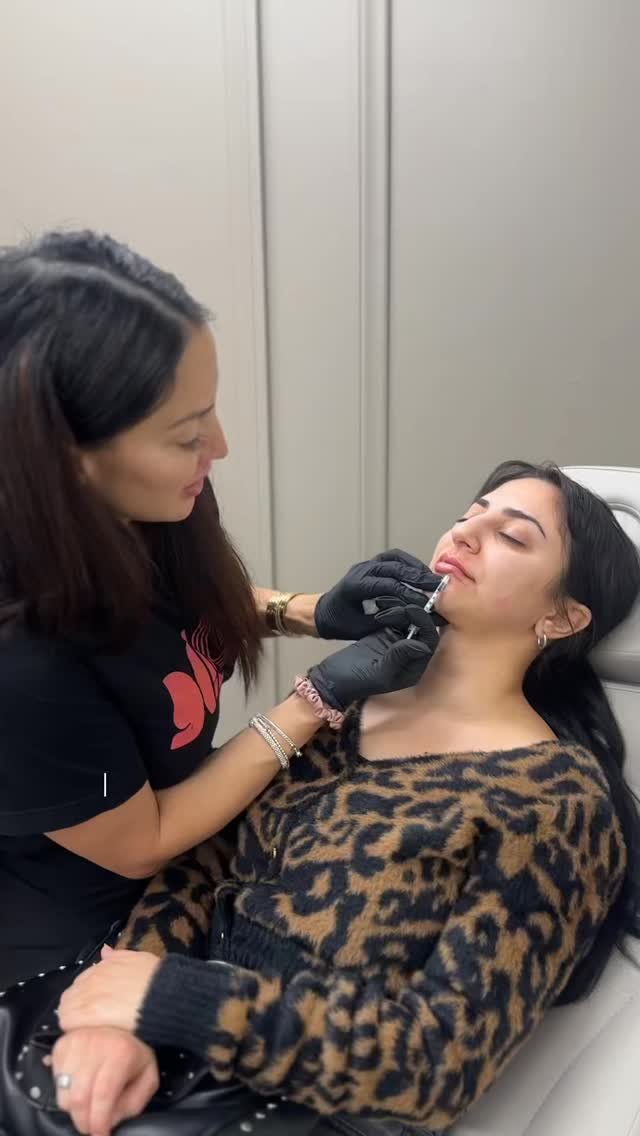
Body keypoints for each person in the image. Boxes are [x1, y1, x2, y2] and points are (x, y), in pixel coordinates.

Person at [53, 459, 640, 1136]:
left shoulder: (556, 802)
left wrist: (174, 1000)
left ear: (562, 617)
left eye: (512, 536)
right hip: (175, 1061)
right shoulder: (348, 713)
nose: (465, 534)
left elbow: (436, 1066)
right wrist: (118, 1015)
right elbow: (200, 868)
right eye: (468, 515)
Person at [0, 230, 444, 991]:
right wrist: (316, 699)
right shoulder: (22, 664)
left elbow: (174, 604)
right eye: (186, 434)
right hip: (82, 937)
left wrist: (307, 611)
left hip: (194, 876)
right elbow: (142, 841)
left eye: (210, 411)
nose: (221, 446)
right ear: (69, 460)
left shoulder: (149, 506)